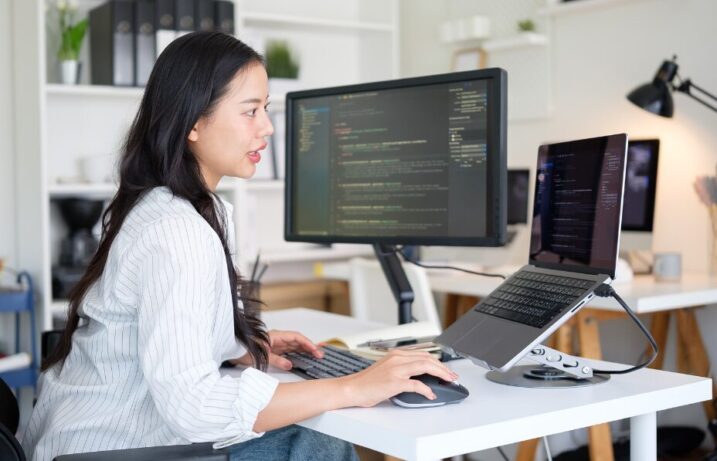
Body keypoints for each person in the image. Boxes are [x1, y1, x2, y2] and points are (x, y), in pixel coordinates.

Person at [22, 32, 458, 461]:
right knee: (318, 440)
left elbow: (166, 335)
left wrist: (241, 348)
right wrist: (351, 387)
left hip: (101, 434)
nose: (267, 127)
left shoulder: (193, 209)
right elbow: (192, 405)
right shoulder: (177, 231)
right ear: (193, 122)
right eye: (250, 111)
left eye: (265, 109)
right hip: (110, 448)